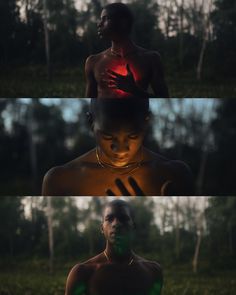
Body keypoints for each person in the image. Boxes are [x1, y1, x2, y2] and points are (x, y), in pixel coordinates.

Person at [42, 99, 194, 196]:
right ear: (90, 122)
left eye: (133, 136)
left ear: (146, 122)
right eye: (108, 137)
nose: (121, 150)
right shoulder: (61, 180)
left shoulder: (175, 174)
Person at [65, 199, 163, 295]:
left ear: (133, 227)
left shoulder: (153, 271)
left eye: (123, 218)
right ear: (102, 228)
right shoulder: (82, 273)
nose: (116, 224)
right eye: (109, 219)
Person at [85, 2, 169, 98]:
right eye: (101, 19)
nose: (99, 24)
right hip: (105, 113)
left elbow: (164, 99)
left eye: (105, 19)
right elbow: (90, 102)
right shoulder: (93, 61)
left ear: (123, 22)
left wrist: (135, 90)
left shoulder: (151, 59)